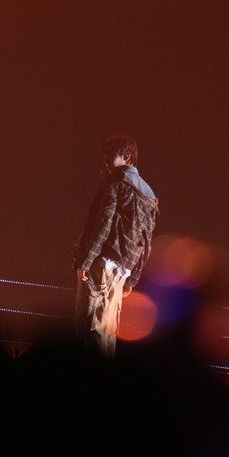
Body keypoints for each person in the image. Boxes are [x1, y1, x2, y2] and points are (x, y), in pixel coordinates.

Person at [72, 135, 159, 355]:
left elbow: (103, 223)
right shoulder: (149, 193)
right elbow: (146, 239)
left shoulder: (115, 183)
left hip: (101, 263)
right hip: (122, 270)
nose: (106, 160)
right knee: (108, 330)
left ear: (127, 156)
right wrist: (133, 277)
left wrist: (86, 260)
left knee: (89, 326)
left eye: (110, 155)